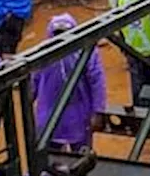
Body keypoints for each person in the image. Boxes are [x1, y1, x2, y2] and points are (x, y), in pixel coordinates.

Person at [31, 14, 106, 152]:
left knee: (81, 160)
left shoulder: (86, 52)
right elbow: (33, 82)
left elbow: (97, 81)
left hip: (77, 115)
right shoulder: (42, 54)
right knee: (51, 160)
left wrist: (98, 111)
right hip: (51, 117)